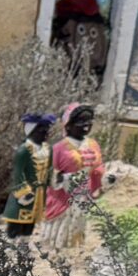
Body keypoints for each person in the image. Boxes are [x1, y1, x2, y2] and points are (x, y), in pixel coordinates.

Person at [42, 102, 105, 250]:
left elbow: (98, 168)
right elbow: (50, 175)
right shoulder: (59, 148)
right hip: (63, 198)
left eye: (89, 121)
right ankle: (55, 250)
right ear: (68, 125)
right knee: (60, 229)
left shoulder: (93, 145)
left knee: (78, 225)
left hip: (83, 195)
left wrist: (103, 179)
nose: (86, 125)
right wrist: (65, 179)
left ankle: (74, 249)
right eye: (81, 121)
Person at [1, 113, 56, 237]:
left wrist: (51, 186)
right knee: (16, 225)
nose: (45, 134)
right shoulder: (24, 150)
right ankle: (10, 245)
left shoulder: (48, 149)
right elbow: (17, 174)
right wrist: (23, 193)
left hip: (39, 194)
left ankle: (24, 246)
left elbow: (49, 170)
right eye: (42, 131)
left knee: (30, 225)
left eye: (47, 131)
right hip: (25, 195)